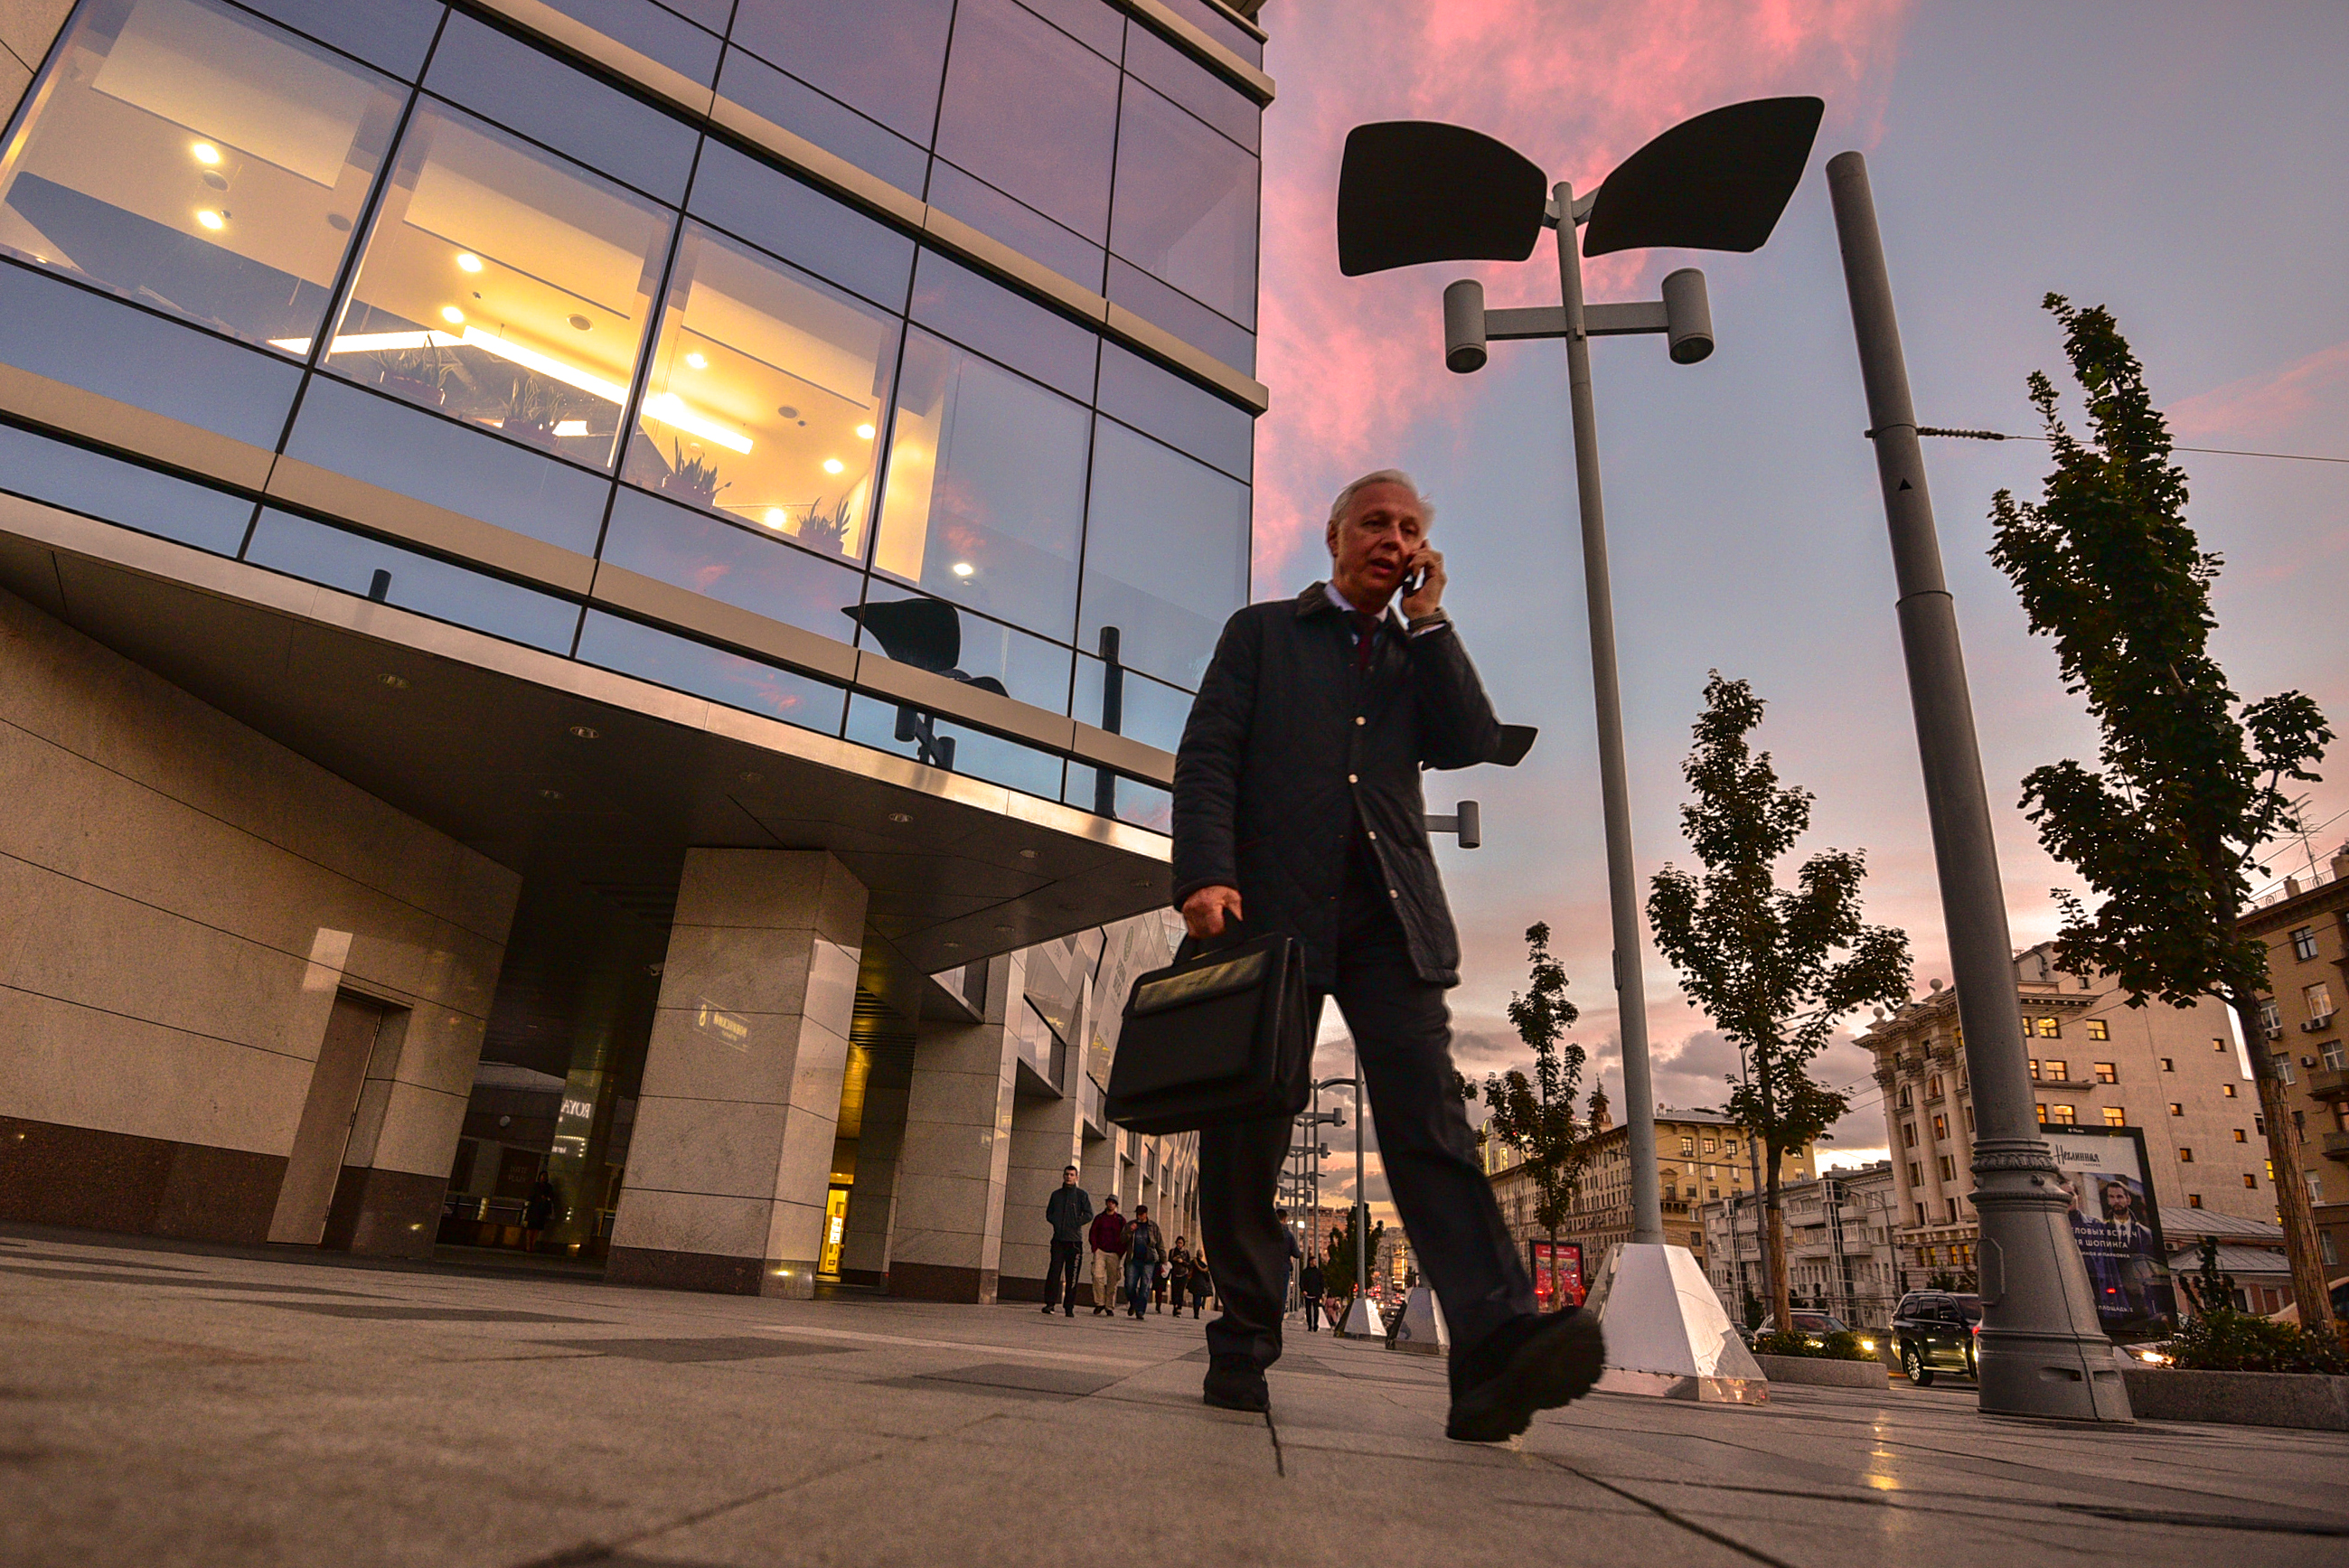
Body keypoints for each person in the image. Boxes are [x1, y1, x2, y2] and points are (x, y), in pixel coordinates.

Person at [1171, 470, 1606, 1441]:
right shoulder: (1263, 633)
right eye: (1376, 521)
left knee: (1430, 1123)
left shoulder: (1415, 655)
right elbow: (1208, 754)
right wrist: (1204, 869)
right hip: (1263, 913)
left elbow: (1468, 737)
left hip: (1387, 923)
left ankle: (1492, 1349)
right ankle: (1243, 1334)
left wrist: (1434, 620)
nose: (1393, 538)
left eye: (1410, 528)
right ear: (1332, 534)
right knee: (1249, 1128)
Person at [1042, 1165, 1092, 1318]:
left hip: (1074, 1243)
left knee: (1072, 1276)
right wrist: (1057, 1222)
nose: (1069, 1177)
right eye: (1067, 1174)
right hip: (1058, 1240)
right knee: (1054, 1272)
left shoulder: (1081, 1195)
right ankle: (1050, 1303)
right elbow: (1049, 1213)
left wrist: (1076, 1222)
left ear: (1076, 1177)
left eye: (1072, 1175)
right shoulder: (1056, 1195)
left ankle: (1069, 1307)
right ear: (1063, 1176)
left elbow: (1089, 1214)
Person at [1087, 1196, 1126, 1317]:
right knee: (1097, 1276)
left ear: (1116, 1205)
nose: (1110, 1204)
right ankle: (1099, 1303)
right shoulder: (1099, 1218)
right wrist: (1095, 1248)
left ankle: (1109, 1306)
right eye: (1109, 1202)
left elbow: (1125, 1237)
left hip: (1114, 1253)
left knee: (1112, 1281)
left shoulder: (1120, 1220)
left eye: (1113, 1203)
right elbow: (1092, 1233)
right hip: (1100, 1251)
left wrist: (1120, 1252)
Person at [1123, 1203, 1163, 1319]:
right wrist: (1130, 1231)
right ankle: (1134, 1302)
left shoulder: (1153, 1226)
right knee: (1130, 1285)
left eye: (1141, 1214)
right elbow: (1122, 1239)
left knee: (1145, 1286)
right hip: (1133, 1259)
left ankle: (1140, 1310)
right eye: (1137, 1214)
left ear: (1146, 1214)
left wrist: (1163, 1259)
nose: (1139, 1217)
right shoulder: (1131, 1224)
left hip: (1148, 1260)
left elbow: (1159, 1243)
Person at [523, 1172, 557, 1253]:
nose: (544, 1178)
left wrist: (546, 1198)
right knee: (530, 1228)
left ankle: (532, 1245)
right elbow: (531, 1196)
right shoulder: (536, 1186)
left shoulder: (548, 1187)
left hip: (541, 1210)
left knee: (537, 1229)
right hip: (534, 1209)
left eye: (545, 1176)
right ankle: (528, 1246)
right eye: (543, 1176)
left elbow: (551, 1197)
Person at [1167, 1237, 1192, 1317]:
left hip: (1183, 1274)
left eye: (1181, 1243)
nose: (1179, 1244)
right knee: (1174, 1291)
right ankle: (1175, 1305)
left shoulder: (1186, 1252)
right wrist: (1174, 1259)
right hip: (1174, 1274)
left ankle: (1179, 1309)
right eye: (1178, 1243)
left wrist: (1182, 1262)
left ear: (1183, 1244)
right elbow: (1169, 1263)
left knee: (1180, 1291)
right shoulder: (1172, 1251)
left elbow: (1189, 1264)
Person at [1300, 1258, 1326, 1333]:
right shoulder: (1305, 1272)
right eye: (1314, 1261)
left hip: (1316, 1293)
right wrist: (1303, 1290)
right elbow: (1302, 1282)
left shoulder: (1318, 1272)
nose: (1315, 1263)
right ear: (1310, 1262)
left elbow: (1322, 1282)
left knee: (1316, 1309)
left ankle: (1315, 1324)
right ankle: (1309, 1325)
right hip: (1308, 1293)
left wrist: (1322, 1292)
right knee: (1308, 1310)